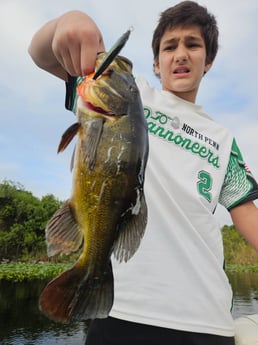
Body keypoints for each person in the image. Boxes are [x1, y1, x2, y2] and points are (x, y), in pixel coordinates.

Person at [29, 1, 258, 344]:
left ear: (208, 61)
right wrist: (67, 22)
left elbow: (245, 213)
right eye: (170, 46)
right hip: (123, 308)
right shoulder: (120, 88)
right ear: (156, 62)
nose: (180, 54)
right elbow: (42, 54)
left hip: (207, 318)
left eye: (193, 45)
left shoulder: (224, 140)